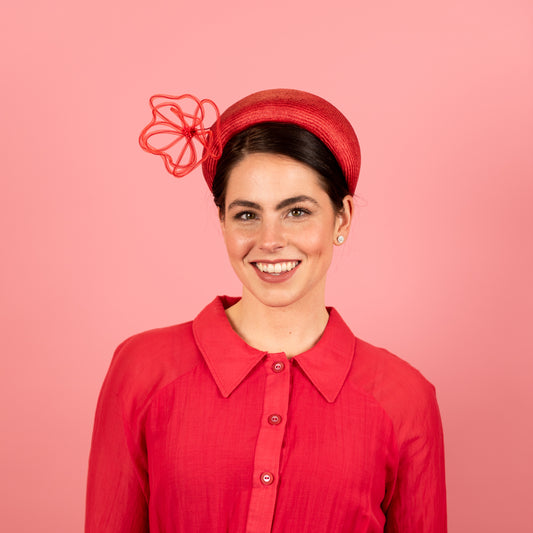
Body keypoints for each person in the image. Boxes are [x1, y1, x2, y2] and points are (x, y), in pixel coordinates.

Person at [86, 89, 447, 532]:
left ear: (342, 219)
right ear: (222, 222)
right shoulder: (143, 369)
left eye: (297, 211)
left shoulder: (404, 397)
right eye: (246, 215)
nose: (271, 240)